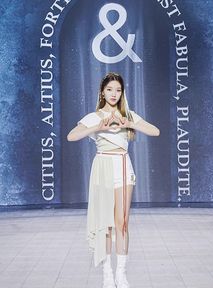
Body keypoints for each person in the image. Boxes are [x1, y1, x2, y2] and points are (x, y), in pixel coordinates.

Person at [67, 72, 160, 288]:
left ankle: (121, 273)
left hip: (123, 166)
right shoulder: (94, 116)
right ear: (102, 91)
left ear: (122, 93)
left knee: (122, 222)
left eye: (118, 90)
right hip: (103, 167)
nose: (114, 94)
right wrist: (98, 127)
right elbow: (71, 136)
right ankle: (107, 273)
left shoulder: (128, 115)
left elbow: (155, 131)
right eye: (110, 89)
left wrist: (130, 123)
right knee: (106, 223)